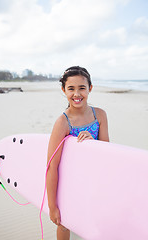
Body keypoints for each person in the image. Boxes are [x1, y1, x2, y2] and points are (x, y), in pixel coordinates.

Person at [46, 66, 109, 240]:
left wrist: (92, 142)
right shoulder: (63, 123)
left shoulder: (100, 115)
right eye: (71, 88)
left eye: (82, 88)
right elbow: (52, 165)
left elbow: (107, 152)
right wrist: (53, 206)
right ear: (63, 90)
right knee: (64, 223)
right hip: (69, 182)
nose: (77, 94)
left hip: (93, 179)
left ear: (90, 88)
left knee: (95, 222)